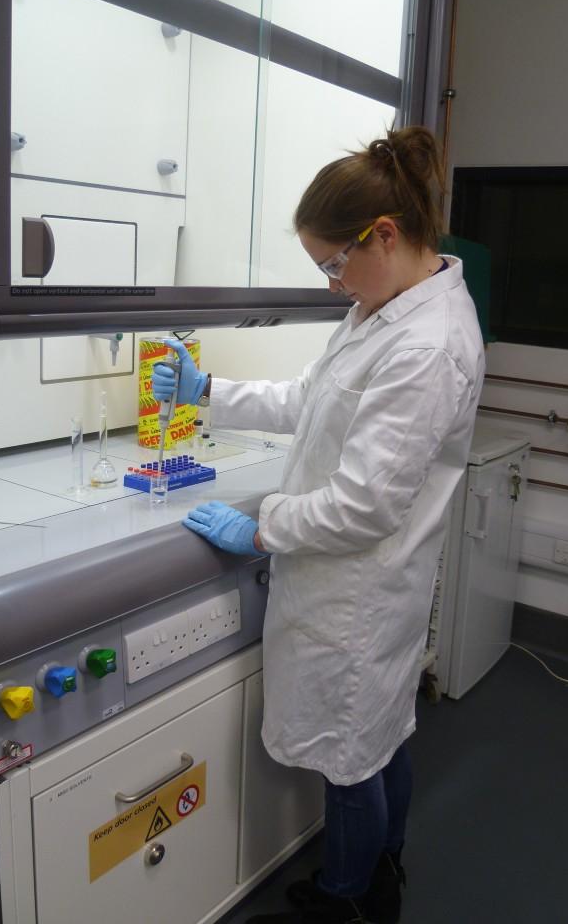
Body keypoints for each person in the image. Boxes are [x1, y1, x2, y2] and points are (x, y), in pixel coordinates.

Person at [152, 126, 485, 924]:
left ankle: (342, 902)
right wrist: (209, 391)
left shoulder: (424, 343)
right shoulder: (385, 310)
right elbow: (311, 401)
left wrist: (262, 526)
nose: (334, 284)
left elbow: (364, 504)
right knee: (382, 736)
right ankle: (378, 875)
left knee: (350, 759)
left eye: (335, 264)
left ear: (385, 235)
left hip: (360, 594)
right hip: (373, 588)